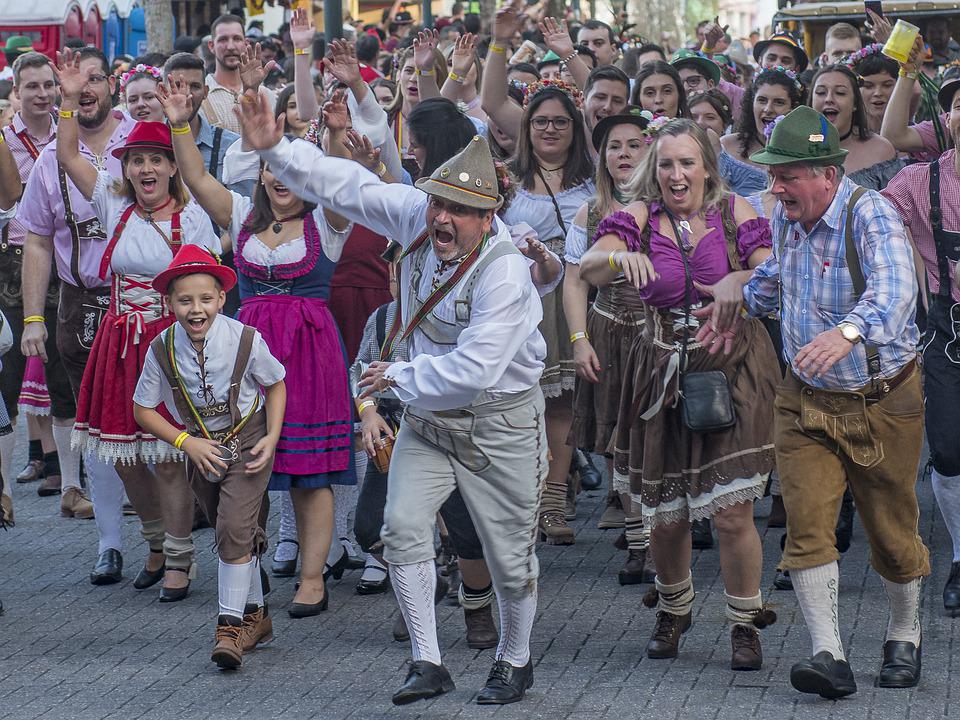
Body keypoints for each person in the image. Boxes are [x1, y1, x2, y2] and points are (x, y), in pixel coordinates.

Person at [236, 87, 549, 705]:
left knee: (511, 559)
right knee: (400, 527)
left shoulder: (506, 269)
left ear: (488, 218)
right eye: (437, 202)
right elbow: (344, 186)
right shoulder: (414, 215)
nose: (441, 218)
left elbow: (477, 369)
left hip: (499, 420)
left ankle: (515, 659)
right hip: (431, 420)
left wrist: (395, 378)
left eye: (459, 210)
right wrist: (276, 147)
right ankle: (427, 662)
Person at [719, 105, 928, 698]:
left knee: (891, 529)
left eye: (786, 175)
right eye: (772, 174)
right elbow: (779, 279)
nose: (774, 186)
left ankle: (904, 633)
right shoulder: (788, 217)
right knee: (807, 526)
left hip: (882, 399)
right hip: (804, 399)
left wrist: (847, 332)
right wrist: (734, 299)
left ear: (828, 175)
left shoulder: (872, 215)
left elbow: (895, 294)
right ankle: (828, 655)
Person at [580, 118, 778, 670]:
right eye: (666, 163)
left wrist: (741, 280)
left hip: (733, 366)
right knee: (666, 517)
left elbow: (774, 271)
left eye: (687, 162)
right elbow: (590, 267)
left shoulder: (735, 211)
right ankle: (675, 607)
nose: (675, 173)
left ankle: (744, 622)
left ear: (707, 167)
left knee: (733, 514)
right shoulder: (640, 216)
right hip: (662, 371)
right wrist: (619, 257)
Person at [160, 82, 358, 617]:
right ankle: (251, 567)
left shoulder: (325, 222)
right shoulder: (242, 215)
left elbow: (342, 189)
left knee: (308, 473)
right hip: (243, 353)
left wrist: (336, 137)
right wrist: (181, 123)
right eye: (272, 169)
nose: (279, 178)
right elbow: (197, 177)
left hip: (310, 353)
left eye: (291, 170)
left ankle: (312, 578)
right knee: (241, 466)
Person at [55, 47, 222, 602]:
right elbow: (70, 157)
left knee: (169, 459)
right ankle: (154, 543)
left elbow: (207, 287)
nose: (145, 169)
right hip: (119, 338)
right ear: (125, 168)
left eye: (155, 159)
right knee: (124, 458)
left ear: (174, 165)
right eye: (136, 160)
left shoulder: (193, 215)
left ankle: (179, 558)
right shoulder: (114, 204)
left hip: (172, 342)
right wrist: (67, 100)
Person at [134, 245, 286, 669]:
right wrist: (186, 443)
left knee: (233, 530)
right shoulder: (161, 348)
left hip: (249, 442)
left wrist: (272, 437)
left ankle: (229, 629)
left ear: (221, 299)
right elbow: (142, 409)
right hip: (200, 449)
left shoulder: (245, 339)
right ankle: (258, 616)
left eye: (205, 299)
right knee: (235, 530)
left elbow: (275, 384)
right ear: (169, 303)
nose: (195, 309)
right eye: (184, 300)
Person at [18, 46, 133, 586]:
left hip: (143, 300)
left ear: (110, 84)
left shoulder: (141, 143)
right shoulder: (47, 160)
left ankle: (169, 542)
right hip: (79, 302)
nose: (82, 88)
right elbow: (38, 240)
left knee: (158, 422)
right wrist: (34, 320)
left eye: (92, 78)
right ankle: (110, 543)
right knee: (97, 426)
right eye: (72, 81)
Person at [502, 79, 595, 545]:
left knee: (562, 406)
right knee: (520, 404)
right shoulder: (507, 177)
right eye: (541, 121)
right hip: (520, 294)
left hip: (574, 294)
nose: (551, 129)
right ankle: (522, 504)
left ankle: (553, 504)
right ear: (527, 127)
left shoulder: (592, 180)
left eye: (561, 121)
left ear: (575, 128)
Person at [0, 51, 93, 513]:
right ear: (16, 90)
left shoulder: (70, 130)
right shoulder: (4, 139)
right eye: (31, 86)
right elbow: (9, 198)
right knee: (8, 376)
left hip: (64, 257)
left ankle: (71, 486)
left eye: (47, 85)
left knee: (62, 372)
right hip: (12, 262)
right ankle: (5, 490)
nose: (41, 94)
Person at [882, 76, 960, 616]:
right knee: (951, 453)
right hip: (946, 332)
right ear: (948, 119)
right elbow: (869, 224)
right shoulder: (917, 182)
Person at [565, 107, 652, 582]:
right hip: (608, 329)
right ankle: (638, 542)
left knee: (652, 438)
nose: (623, 153)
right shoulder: (592, 210)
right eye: (614, 146)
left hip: (656, 335)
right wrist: (579, 341)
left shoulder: (669, 206)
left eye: (633, 144)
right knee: (619, 445)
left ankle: (659, 536)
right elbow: (575, 282)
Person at [809, 64, 901, 190]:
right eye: (821, 93)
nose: (829, 99)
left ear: (855, 104)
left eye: (840, 93)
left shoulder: (881, 150)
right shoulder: (793, 147)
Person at [720, 66, 805, 197]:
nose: (768, 109)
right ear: (751, 103)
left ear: (794, 108)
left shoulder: (806, 152)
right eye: (762, 100)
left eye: (779, 102)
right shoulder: (727, 146)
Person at [203, 14, 277, 134]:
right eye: (223, 40)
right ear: (212, 46)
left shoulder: (266, 95)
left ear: (246, 43)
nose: (230, 47)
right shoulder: (201, 95)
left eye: (237, 39)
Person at [842, 45, 899, 135]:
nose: (878, 93)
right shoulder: (842, 135)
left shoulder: (912, 135)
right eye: (868, 86)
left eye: (887, 85)